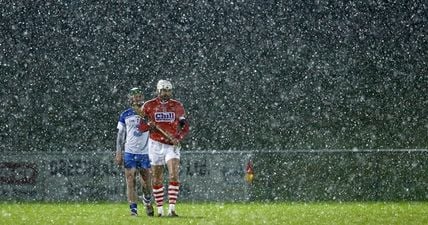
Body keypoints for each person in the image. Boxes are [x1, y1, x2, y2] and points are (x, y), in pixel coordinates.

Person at [141, 79, 190, 217]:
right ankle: (161, 210)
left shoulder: (177, 106)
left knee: (174, 174)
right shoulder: (148, 106)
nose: (166, 93)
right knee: (157, 178)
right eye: (163, 90)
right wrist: (148, 125)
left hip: (171, 145)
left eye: (168, 90)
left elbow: (184, 126)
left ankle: (172, 210)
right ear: (158, 91)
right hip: (155, 144)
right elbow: (141, 127)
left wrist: (178, 138)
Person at [115, 87, 154, 217]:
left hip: (145, 152)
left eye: (139, 95)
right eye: (135, 96)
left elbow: (154, 129)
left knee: (146, 183)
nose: (137, 98)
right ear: (130, 98)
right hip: (130, 152)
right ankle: (133, 210)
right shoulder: (125, 114)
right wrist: (119, 152)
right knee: (130, 179)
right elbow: (120, 135)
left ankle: (147, 200)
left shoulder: (149, 112)